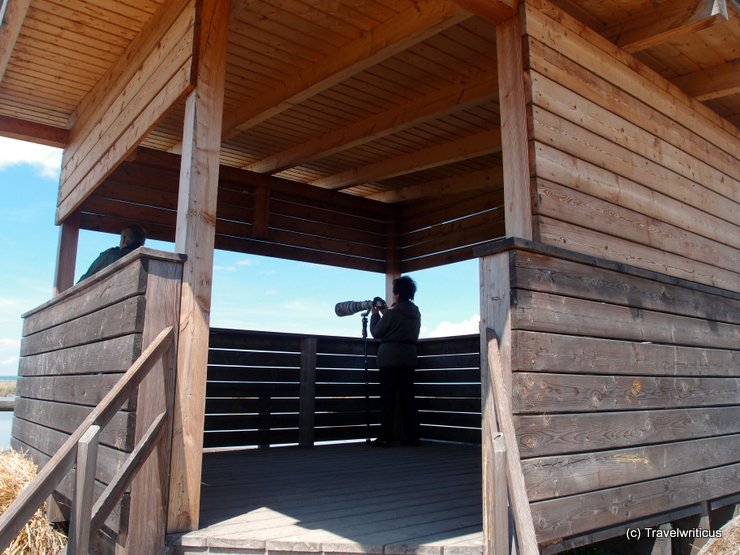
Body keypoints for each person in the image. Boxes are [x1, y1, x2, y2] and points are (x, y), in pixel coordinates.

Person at [369, 275, 421, 447]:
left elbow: (377, 332)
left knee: (388, 399)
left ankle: (385, 437)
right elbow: (397, 321)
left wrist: (375, 314)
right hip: (409, 357)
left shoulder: (393, 313)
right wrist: (387, 312)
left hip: (389, 359)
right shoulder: (415, 311)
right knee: (408, 398)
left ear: (396, 294)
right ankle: (412, 437)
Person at [78, 224, 147, 282]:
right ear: (143, 243)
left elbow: (84, 280)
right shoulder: (146, 261)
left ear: (124, 240)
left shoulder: (109, 256)